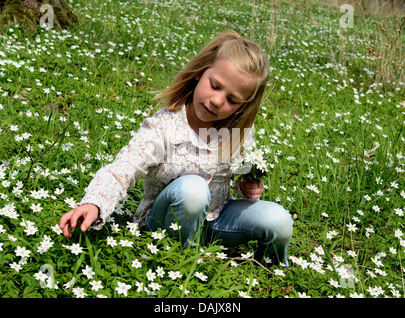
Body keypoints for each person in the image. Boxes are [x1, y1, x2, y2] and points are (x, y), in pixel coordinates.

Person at [59, 30, 293, 266]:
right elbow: (124, 167)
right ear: (199, 74)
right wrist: (94, 202)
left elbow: (239, 177)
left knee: (279, 219)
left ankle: (272, 270)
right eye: (214, 85)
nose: (218, 101)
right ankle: (177, 260)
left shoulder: (235, 133)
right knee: (194, 189)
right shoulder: (163, 128)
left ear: (243, 106)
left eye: (232, 100)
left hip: (217, 221)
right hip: (163, 224)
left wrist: (247, 185)